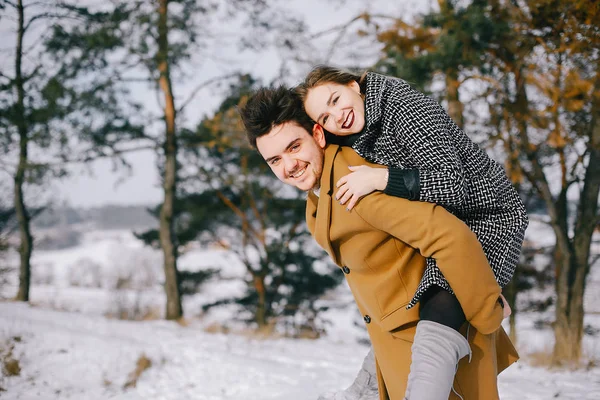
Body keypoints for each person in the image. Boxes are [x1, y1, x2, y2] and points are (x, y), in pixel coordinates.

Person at [239, 86, 519, 400]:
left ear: (318, 135)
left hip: (438, 348)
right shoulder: (316, 202)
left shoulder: (354, 185)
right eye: (274, 160)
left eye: (294, 147)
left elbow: (451, 236)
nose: (289, 165)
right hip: (398, 348)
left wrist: (487, 307)